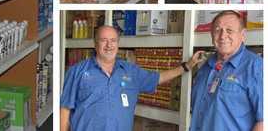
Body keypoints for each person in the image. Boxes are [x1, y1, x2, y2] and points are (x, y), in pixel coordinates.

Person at [60, 25, 204, 131]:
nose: (109, 45)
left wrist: (186, 66)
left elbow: (157, 78)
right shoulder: (77, 71)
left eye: (113, 40)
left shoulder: (130, 70)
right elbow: (65, 110)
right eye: (103, 40)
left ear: (118, 44)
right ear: (95, 44)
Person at [190, 10, 263, 131]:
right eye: (218, 30)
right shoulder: (205, 67)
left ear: (243, 35)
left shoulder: (256, 67)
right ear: (211, 35)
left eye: (229, 30)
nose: (223, 36)